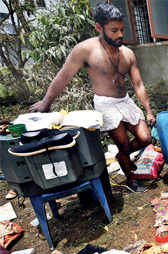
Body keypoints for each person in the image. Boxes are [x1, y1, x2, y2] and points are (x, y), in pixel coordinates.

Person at [29, 2, 155, 192]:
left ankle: (123, 158)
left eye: (122, 29)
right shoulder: (85, 50)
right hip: (105, 103)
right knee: (123, 144)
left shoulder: (128, 54)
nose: (120, 34)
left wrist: (148, 110)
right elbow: (64, 76)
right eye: (114, 30)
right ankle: (131, 180)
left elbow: (138, 84)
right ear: (99, 27)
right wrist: (46, 102)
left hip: (125, 100)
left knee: (146, 138)